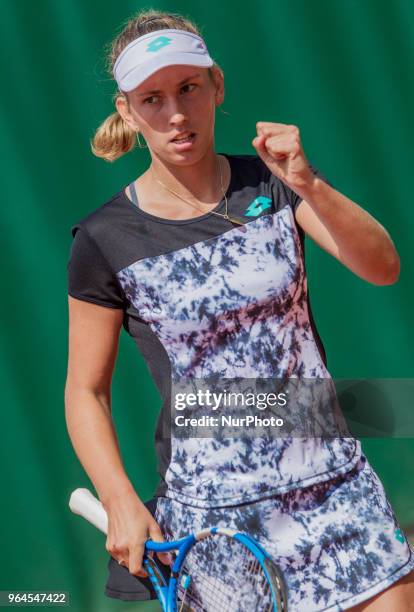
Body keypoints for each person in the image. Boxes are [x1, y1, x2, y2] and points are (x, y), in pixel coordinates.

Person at [64, 8, 414, 611]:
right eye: (152, 98)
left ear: (216, 86)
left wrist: (310, 184)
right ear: (127, 111)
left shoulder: (275, 183)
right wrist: (119, 496)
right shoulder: (103, 239)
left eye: (188, 89)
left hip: (337, 485)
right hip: (220, 520)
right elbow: (85, 391)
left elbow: (383, 268)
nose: (175, 114)